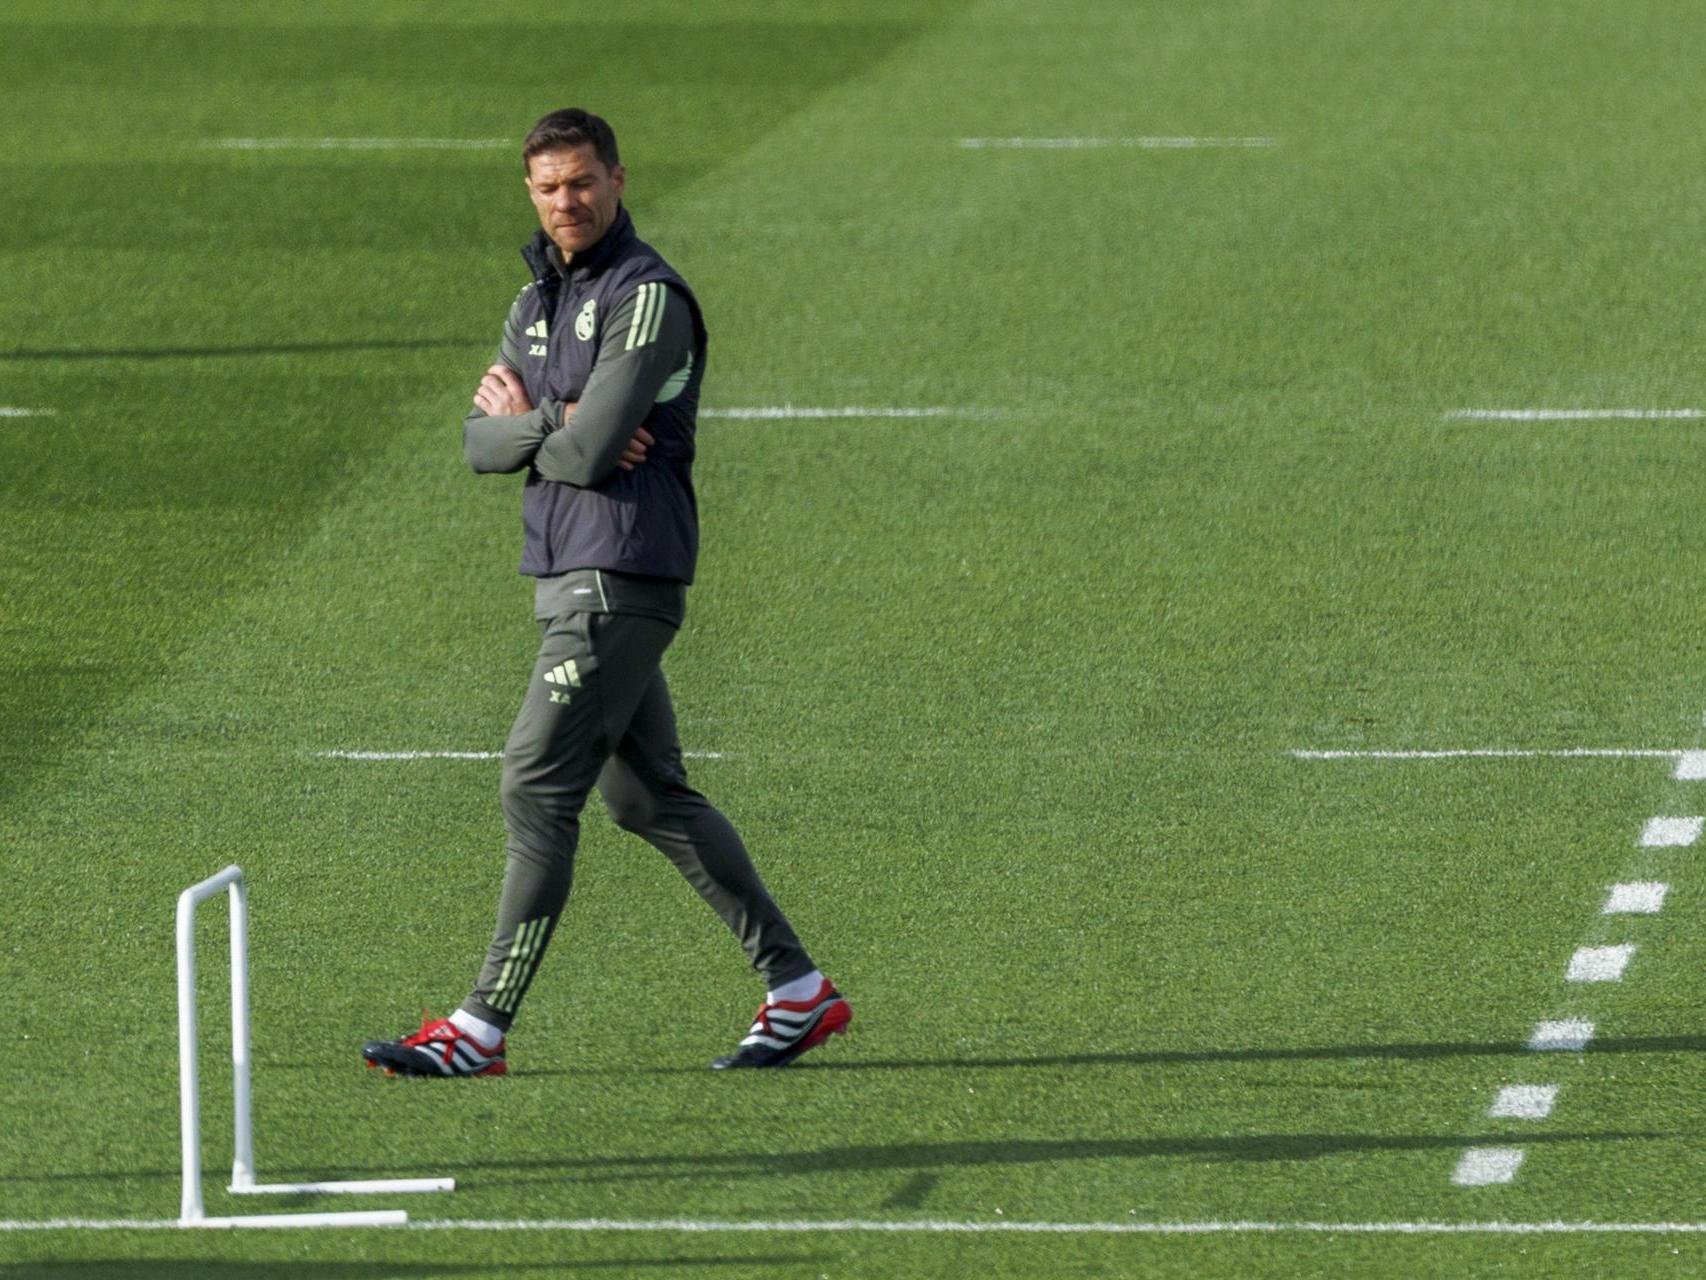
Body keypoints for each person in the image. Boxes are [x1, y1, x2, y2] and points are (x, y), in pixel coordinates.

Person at [361, 108, 849, 1077]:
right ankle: (798, 989)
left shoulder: (649, 296)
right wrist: (562, 420)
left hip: (617, 574)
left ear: (618, 180)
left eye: (581, 181)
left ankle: (480, 1026)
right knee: (646, 797)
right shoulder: (533, 299)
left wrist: (538, 426)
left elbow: (580, 451)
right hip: (563, 571)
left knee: (534, 784)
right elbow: (477, 443)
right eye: (547, 187)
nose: (565, 202)